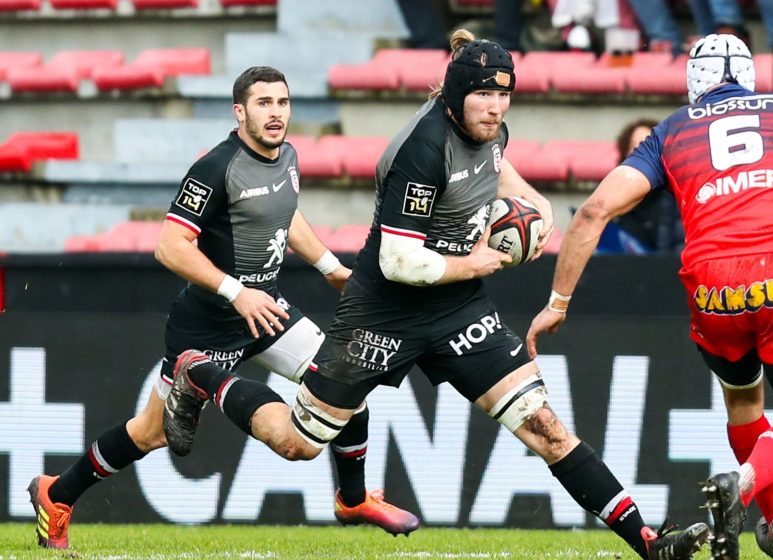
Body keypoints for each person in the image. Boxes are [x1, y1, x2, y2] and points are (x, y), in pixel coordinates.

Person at [163, 30, 710, 560]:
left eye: (503, 94)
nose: (495, 107)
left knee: (547, 429)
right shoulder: (421, 150)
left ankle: (647, 542)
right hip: (381, 313)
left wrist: (537, 211)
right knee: (297, 444)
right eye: (484, 94)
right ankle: (199, 373)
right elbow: (398, 262)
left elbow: (501, 175)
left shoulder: (492, 130)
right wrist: (475, 261)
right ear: (455, 96)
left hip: (457, 308)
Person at [526, 34, 773, 560]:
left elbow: (592, 212)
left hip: (714, 285)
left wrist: (557, 304)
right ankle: (741, 486)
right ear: (750, 76)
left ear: (693, 81)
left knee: (744, 399)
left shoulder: (672, 129)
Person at [26, 66, 420, 550]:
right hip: (208, 325)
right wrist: (237, 291)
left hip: (266, 312)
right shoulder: (216, 167)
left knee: (347, 380)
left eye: (283, 102)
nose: (276, 114)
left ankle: (353, 498)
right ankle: (58, 493)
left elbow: (284, 212)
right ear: (239, 112)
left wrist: (328, 266)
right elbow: (169, 247)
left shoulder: (287, 155)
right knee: (150, 434)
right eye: (263, 103)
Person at [611, 117, 683, 254]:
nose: (642, 156)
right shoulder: (615, 199)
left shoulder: (677, 199)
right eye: (635, 148)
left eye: (647, 147)